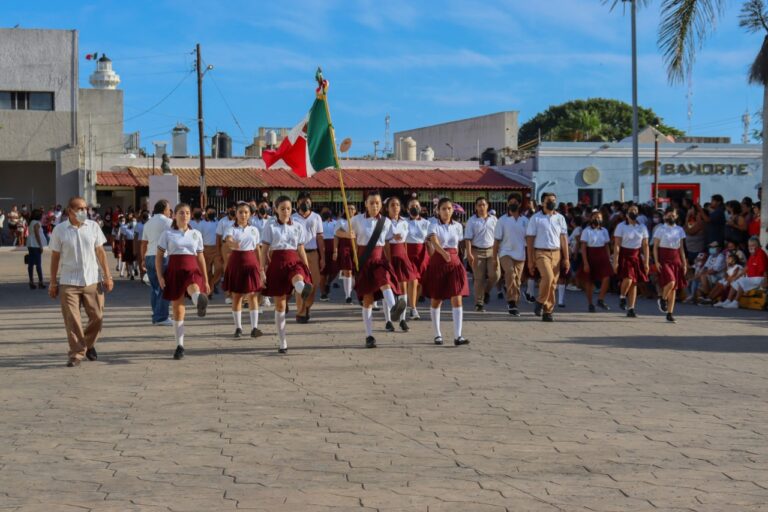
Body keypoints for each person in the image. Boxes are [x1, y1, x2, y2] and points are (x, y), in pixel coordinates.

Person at [48, 196, 114, 367]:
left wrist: (108, 276)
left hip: (92, 280)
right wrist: (53, 282)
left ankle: (88, 344)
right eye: (79, 209)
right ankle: (76, 353)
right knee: (72, 320)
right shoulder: (60, 230)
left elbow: (100, 252)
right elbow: (55, 257)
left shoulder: (93, 227)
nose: (84, 211)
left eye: (85, 208)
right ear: (70, 211)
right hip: (69, 281)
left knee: (97, 317)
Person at [351, 191, 407, 348]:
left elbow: (388, 241)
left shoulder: (386, 222)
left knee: (385, 282)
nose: (374, 205)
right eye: (371, 203)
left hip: (379, 259)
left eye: (377, 203)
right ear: (366, 205)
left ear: (381, 205)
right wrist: (347, 234)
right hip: (364, 262)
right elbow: (338, 230)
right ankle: (369, 336)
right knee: (368, 300)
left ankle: (394, 308)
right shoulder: (356, 220)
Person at [156, 203, 210, 360]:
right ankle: (180, 346)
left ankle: (199, 302)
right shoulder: (167, 234)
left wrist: (206, 279)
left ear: (191, 215)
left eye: (187, 213)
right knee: (178, 310)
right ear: (174, 215)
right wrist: (160, 276)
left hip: (192, 268)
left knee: (194, 287)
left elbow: (200, 257)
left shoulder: (196, 234)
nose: (184, 215)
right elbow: (159, 257)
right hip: (174, 270)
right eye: (181, 213)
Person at [261, 196, 314, 354]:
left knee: (298, 276)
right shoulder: (270, 226)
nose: (286, 211)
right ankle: (282, 340)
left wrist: (307, 267)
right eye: (282, 208)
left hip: (293, 260)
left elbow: (301, 249)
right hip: (277, 263)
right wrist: (261, 271)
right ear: (276, 209)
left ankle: (302, 288)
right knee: (280, 306)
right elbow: (264, 251)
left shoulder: (297, 226)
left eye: (289, 209)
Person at [421, 197, 470, 346]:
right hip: (438, 262)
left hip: (454, 263)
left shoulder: (458, 226)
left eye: (449, 209)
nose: (447, 212)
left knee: (457, 297)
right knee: (437, 299)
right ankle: (437, 334)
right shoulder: (433, 224)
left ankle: (458, 335)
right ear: (438, 210)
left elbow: (459, 244)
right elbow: (434, 242)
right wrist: (443, 252)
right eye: (443, 209)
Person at [222, 202, 265, 338]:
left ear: (250, 214)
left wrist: (260, 266)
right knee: (237, 296)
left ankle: (254, 328)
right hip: (237, 262)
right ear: (236, 214)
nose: (243, 215)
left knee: (253, 295)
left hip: (251, 262)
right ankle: (238, 328)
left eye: (246, 212)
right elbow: (228, 239)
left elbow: (257, 248)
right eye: (240, 212)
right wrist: (232, 243)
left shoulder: (254, 230)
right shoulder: (231, 228)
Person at [526, 192, 569, 322]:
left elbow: (563, 239)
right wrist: (530, 260)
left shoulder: (560, 218)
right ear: (542, 202)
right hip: (541, 252)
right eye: (548, 200)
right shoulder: (536, 218)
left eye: (553, 200)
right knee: (548, 277)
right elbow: (530, 240)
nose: (551, 202)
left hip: (556, 253)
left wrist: (566, 258)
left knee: (553, 284)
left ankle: (547, 311)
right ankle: (539, 301)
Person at [493, 194, 528, 316]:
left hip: (520, 254)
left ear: (519, 204)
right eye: (510, 202)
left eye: (515, 202)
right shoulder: (502, 220)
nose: (513, 204)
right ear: (507, 204)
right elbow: (496, 240)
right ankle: (511, 302)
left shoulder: (525, 220)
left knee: (517, 281)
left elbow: (528, 239)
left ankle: (514, 302)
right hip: (505, 252)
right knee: (510, 273)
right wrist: (494, 258)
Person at [612, 205, 650, 318]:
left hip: (636, 255)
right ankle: (622, 296)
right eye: (631, 211)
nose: (633, 213)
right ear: (626, 213)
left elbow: (645, 245)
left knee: (634, 282)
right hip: (625, 254)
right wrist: (615, 261)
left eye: (635, 211)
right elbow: (617, 244)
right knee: (628, 278)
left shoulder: (642, 227)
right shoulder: (621, 226)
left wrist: (646, 262)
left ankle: (631, 308)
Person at [292, 192, 324, 322]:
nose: (305, 203)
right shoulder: (292, 218)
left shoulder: (316, 217)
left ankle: (307, 306)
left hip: (313, 253)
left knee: (314, 283)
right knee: (301, 283)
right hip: (298, 253)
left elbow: (320, 238)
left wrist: (323, 257)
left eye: (307, 201)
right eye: (302, 201)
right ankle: (301, 313)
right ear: (298, 202)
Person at [384, 196, 415, 332]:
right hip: (388, 254)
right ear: (387, 208)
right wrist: (391, 237)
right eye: (392, 205)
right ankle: (388, 320)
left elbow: (405, 241)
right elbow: (383, 241)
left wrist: (406, 256)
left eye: (397, 204)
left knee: (403, 287)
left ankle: (402, 319)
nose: (395, 207)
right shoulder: (384, 222)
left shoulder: (404, 222)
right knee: (389, 288)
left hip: (401, 255)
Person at [140, 200, 173, 326]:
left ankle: (156, 314)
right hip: (163, 257)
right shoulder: (169, 222)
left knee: (154, 288)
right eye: (169, 209)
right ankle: (161, 317)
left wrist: (143, 259)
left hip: (149, 256)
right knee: (164, 287)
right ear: (164, 209)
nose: (170, 211)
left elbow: (144, 243)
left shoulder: (148, 223)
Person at [464, 197, 499, 312]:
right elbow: (468, 239)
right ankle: (479, 303)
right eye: (479, 205)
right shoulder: (472, 221)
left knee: (496, 275)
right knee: (479, 278)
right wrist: (469, 253)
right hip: (477, 251)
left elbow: (498, 237)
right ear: (475, 207)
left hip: (491, 250)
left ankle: (486, 291)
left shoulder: (494, 219)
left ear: (487, 206)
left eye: (483, 205)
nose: (481, 207)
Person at [653, 209, 688, 323]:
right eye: (668, 215)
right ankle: (662, 299)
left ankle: (669, 313)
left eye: (673, 215)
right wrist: (657, 261)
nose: (671, 217)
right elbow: (655, 247)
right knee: (671, 282)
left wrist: (684, 262)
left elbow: (681, 247)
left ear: (676, 216)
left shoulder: (680, 229)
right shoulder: (660, 229)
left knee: (674, 288)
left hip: (676, 257)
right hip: (664, 258)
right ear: (664, 217)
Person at [715, 236, 767, 309]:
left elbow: (764, 269)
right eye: (749, 245)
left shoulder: (761, 253)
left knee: (741, 281)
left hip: (759, 278)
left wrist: (765, 280)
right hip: (752, 278)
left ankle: (736, 302)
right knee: (735, 282)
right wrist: (736, 277)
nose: (750, 247)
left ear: (757, 245)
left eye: (753, 245)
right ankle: (728, 300)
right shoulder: (752, 255)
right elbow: (746, 268)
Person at [579, 210, 612, 312]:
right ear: (591, 218)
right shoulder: (587, 231)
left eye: (599, 217)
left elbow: (607, 246)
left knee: (607, 276)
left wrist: (609, 258)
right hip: (591, 255)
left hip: (602, 254)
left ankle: (600, 299)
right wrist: (585, 262)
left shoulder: (604, 231)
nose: (597, 219)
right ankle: (590, 303)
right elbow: (583, 248)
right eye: (595, 217)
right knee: (590, 281)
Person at [405, 198, 430, 319]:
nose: (414, 207)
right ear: (407, 209)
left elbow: (430, 239)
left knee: (420, 283)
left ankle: (412, 302)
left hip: (422, 253)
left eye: (416, 205)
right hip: (408, 252)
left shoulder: (426, 223)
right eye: (412, 206)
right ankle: (413, 308)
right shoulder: (404, 222)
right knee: (413, 281)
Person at [192, 205, 221, 298]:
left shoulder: (218, 223)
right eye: (210, 212)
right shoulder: (201, 224)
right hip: (205, 249)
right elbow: (198, 237)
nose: (211, 214)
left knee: (220, 268)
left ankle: (211, 284)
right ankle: (209, 291)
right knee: (207, 271)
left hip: (216, 249)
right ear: (206, 213)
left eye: (213, 212)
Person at [333, 204, 358, 305]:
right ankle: (348, 295)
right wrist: (335, 250)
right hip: (345, 247)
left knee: (355, 273)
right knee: (347, 271)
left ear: (355, 210)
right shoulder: (340, 221)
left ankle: (351, 289)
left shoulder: (358, 221)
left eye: (352, 208)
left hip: (356, 247)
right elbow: (336, 236)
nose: (350, 210)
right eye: (348, 209)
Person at [216, 203, 237, 302]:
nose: (233, 210)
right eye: (232, 208)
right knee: (227, 270)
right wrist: (218, 252)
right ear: (228, 209)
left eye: (235, 208)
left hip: (238, 246)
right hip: (226, 246)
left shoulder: (240, 219)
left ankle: (237, 293)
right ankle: (228, 294)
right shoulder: (222, 221)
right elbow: (218, 237)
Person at [26, 208, 47, 290]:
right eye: (41, 215)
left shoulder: (31, 222)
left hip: (30, 244)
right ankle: (41, 282)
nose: (42, 216)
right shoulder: (37, 223)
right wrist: (41, 246)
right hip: (35, 245)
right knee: (38, 264)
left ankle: (31, 281)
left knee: (31, 263)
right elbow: (37, 235)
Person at [319, 207, 337, 301]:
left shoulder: (335, 223)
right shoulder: (319, 223)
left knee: (335, 270)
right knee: (323, 273)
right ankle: (323, 293)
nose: (326, 212)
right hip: (323, 248)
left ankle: (328, 283)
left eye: (328, 210)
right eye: (324, 211)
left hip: (333, 247)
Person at [119, 213, 138, 280]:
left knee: (136, 258)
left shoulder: (136, 226)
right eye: (131, 220)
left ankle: (135, 268)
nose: (133, 222)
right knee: (129, 259)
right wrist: (123, 246)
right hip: (129, 243)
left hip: (135, 242)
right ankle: (132, 274)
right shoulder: (124, 227)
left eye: (133, 220)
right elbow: (123, 238)